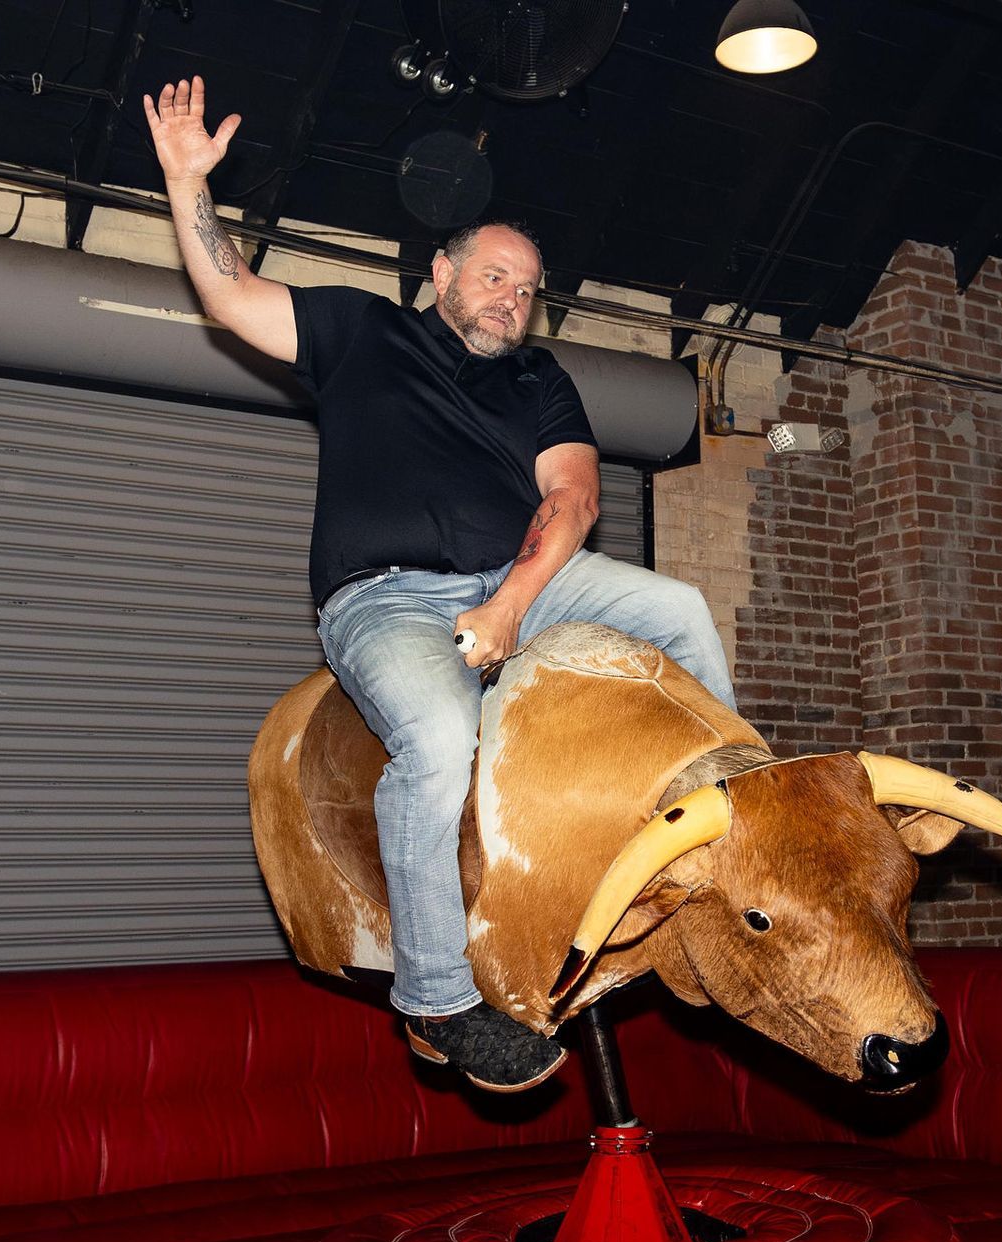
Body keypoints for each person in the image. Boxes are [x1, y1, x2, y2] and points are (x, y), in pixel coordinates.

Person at [144, 77, 736, 1093]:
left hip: (521, 579)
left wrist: (508, 605)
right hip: (381, 598)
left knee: (678, 607)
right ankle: (437, 998)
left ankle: (730, 819)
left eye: (527, 289)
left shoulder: (538, 379)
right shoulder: (361, 332)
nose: (512, 299)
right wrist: (187, 183)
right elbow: (231, 294)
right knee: (437, 732)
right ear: (442, 273)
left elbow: (573, 497)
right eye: (495, 276)